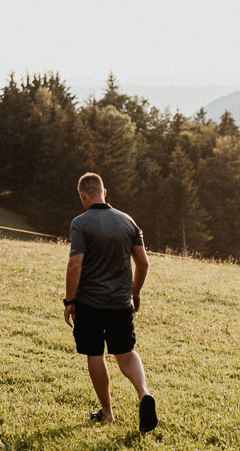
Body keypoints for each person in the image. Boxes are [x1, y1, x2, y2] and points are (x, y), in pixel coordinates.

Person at [62, 172, 158, 433]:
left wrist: (69, 300)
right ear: (105, 192)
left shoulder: (80, 223)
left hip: (90, 304)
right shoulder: (128, 221)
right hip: (120, 303)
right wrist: (135, 293)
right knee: (125, 353)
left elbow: (75, 264)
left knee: (95, 353)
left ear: (83, 196)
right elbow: (143, 263)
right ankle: (144, 393)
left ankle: (107, 413)